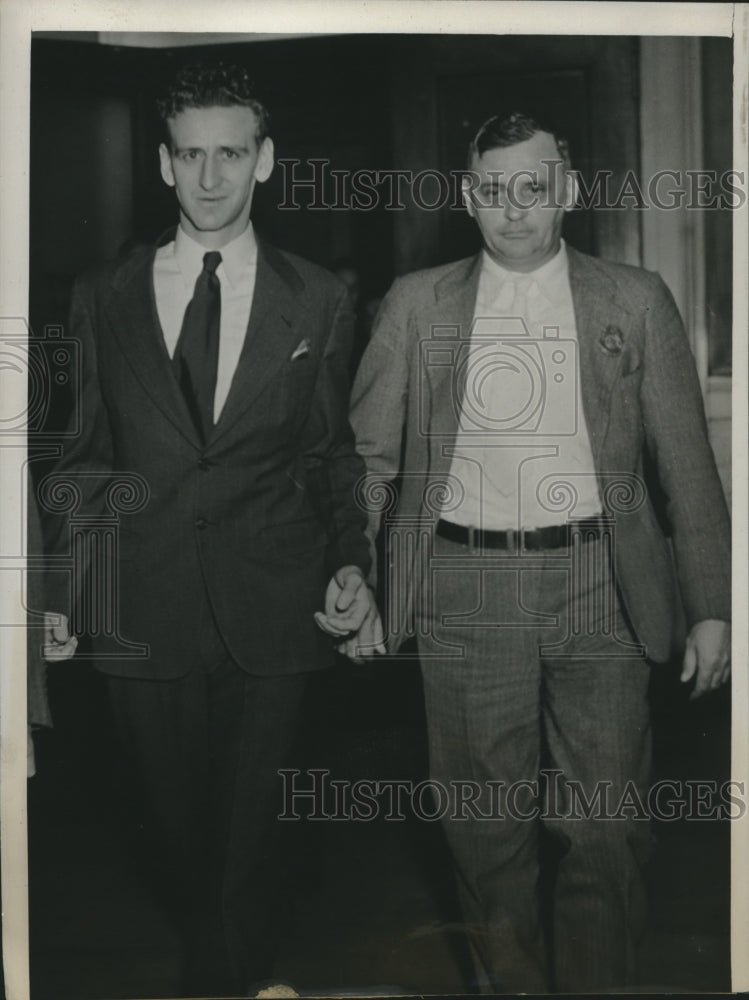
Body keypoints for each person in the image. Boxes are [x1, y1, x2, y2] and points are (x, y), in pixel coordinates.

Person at [349, 112, 731, 992]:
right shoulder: (416, 301)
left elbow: (685, 463)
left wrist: (710, 605)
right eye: (492, 188)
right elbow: (368, 456)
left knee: (605, 824)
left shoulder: (633, 299)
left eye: (533, 185)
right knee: (484, 829)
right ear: (465, 196)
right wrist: (365, 577)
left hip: (600, 580)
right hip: (461, 584)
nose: (513, 208)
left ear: (568, 189)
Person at [43, 60, 377, 997]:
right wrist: (69, 591)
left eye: (231, 153)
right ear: (163, 164)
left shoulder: (314, 296)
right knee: (177, 839)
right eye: (190, 155)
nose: (210, 177)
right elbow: (82, 460)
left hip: (274, 606)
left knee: (248, 841)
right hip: (140, 611)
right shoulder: (103, 294)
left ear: (264, 160)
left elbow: (330, 455)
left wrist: (354, 565)